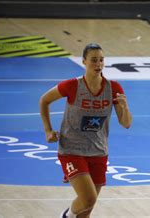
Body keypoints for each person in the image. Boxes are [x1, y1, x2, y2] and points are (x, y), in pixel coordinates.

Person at [39, 43, 132, 218]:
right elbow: (44, 100)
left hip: (98, 151)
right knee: (88, 199)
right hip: (71, 150)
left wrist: (125, 108)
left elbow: (126, 123)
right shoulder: (73, 85)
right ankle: (66, 216)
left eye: (101, 60)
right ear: (83, 62)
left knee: (86, 210)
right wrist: (48, 130)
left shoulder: (113, 88)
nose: (98, 64)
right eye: (94, 60)